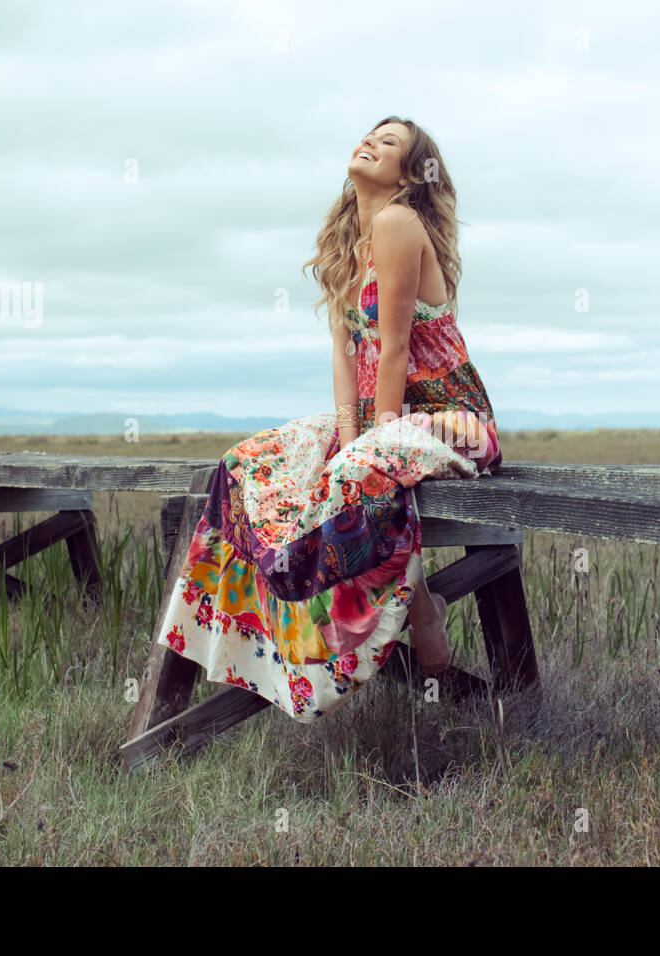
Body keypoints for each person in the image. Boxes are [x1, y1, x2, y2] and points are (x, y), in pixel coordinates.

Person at [153, 115, 501, 722]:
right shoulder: (351, 244)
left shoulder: (397, 222)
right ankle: (283, 643)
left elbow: (392, 348)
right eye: (370, 134)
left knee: (357, 475)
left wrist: (373, 442)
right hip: (380, 417)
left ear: (409, 174)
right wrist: (347, 439)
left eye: (388, 143)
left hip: (450, 418)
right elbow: (345, 360)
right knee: (251, 462)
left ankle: (412, 624)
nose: (370, 142)